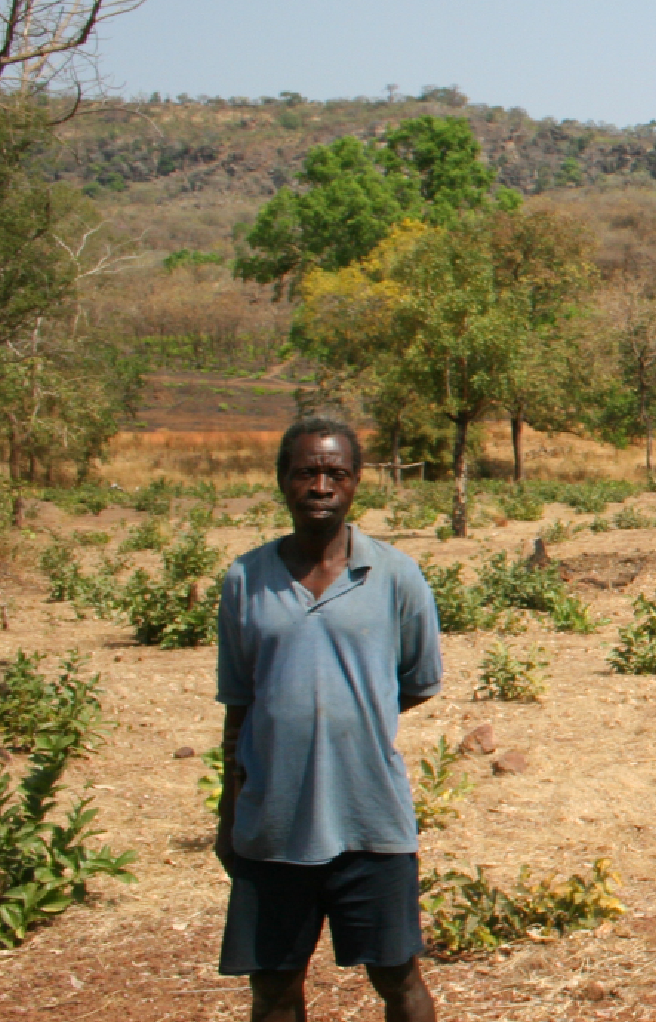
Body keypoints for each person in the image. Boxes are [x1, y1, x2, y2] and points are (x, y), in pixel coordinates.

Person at [215, 417, 443, 1022]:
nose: (321, 485)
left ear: (356, 483)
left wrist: (349, 709)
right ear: (282, 481)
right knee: (273, 986)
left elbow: (415, 683)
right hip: (273, 822)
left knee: (399, 977)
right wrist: (227, 811)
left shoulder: (396, 576)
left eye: (335, 473)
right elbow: (239, 708)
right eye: (306, 471)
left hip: (371, 818)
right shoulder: (245, 580)